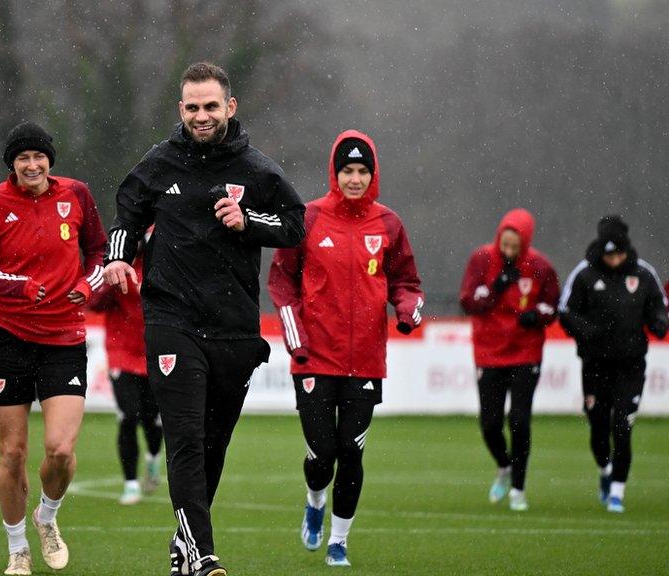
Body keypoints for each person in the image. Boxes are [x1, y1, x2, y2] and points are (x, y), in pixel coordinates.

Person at [103, 62, 305, 576]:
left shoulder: (257, 170)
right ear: (180, 110)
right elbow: (127, 210)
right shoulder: (160, 162)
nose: (201, 115)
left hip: (234, 327)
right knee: (186, 437)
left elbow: (294, 224)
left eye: (211, 106)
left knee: (213, 445)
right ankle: (203, 557)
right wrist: (119, 257)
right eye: (192, 107)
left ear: (229, 108)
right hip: (171, 317)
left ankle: (183, 545)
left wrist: (248, 220)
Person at [268, 130, 424, 568]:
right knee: (322, 453)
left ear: (372, 175)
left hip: (366, 363)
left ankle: (339, 540)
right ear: (334, 174)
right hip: (315, 358)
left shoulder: (389, 224)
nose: (354, 179)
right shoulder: (310, 218)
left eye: (361, 171)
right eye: (347, 171)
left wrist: (408, 310)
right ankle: (314, 498)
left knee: (352, 452)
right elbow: (282, 284)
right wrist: (297, 342)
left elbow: (407, 283)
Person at [0, 121, 107, 575]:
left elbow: (100, 251)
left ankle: (47, 517)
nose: (32, 164)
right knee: (13, 453)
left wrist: (88, 283)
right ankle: (17, 547)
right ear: (12, 165)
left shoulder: (76, 195)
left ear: (49, 161)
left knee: (60, 450)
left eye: (38, 156)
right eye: (23, 158)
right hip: (9, 337)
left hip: (65, 338)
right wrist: (17, 286)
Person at [558, 215, 667, 513]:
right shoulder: (584, 274)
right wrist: (586, 330)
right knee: (598, 427)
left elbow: (658, 306)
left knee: (622, 426)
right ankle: (605, 471)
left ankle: (618, 491)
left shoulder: (644, 274)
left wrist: (658, 322)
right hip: (595, 364)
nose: (615, 259)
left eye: (619, 253)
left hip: (631, 365)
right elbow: (566, 311)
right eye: (609, 254)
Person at [458, 208, 560, 512]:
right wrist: (497, 286)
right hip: (489, 351)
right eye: (506, 244)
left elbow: (552, 305)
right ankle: (504, 465)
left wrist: (537, 316)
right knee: (490, 424)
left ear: (526, 242)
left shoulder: (541, 266)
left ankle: (518, 487)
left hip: (525, 352)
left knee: (519, 420)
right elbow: (468, 302)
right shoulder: (481, 260)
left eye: (516, 246)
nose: (510, 251)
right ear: (499, 238)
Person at [89, 234, 164, 506]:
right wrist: (113, 273)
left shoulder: (162, 264)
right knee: (128, 416)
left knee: (152, 419)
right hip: (121, 353)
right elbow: (94, 304)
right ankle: (131, 483)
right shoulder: (120, 265)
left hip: (155, 352)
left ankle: (153, 458)